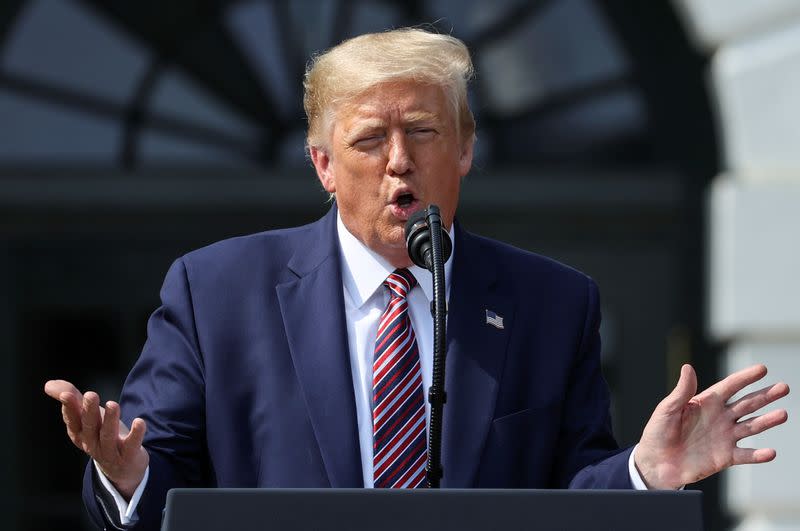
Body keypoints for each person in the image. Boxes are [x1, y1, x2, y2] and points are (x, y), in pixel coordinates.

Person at [45, 27, 789, 531]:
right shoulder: (215, 293)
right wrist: (128, 472)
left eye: (425, 133)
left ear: (464, 149)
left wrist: (642, 473)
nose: (399, 161)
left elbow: (569, 494)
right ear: (324, 166)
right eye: (369, 139)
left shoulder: (551, 303)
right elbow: (157, 481)